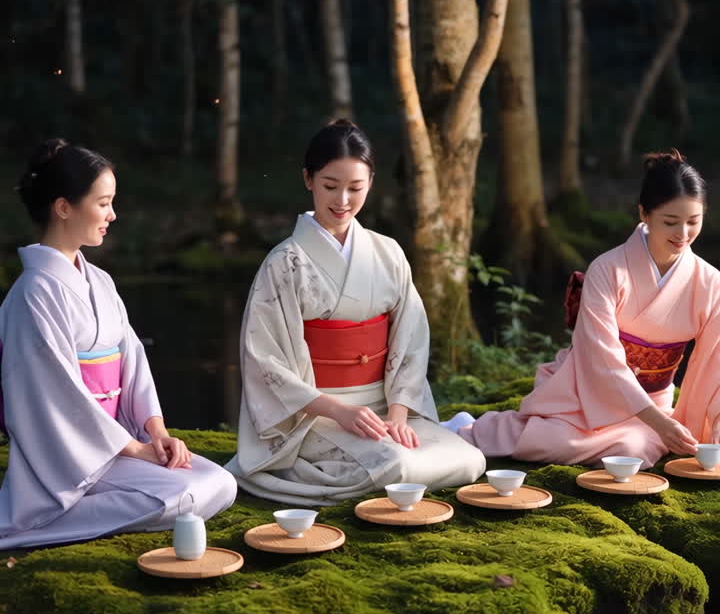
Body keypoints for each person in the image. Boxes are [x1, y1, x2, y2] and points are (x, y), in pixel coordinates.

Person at [226, 119, 486, 503]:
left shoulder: (388, 253)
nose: (342, 200)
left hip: (384, 405)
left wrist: (398, 414)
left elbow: (411, 342)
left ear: (371, 184)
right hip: (315, 414)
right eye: (330, 186)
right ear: (308, 179)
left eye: (355, 188)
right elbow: (265, 362)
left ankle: (418, 432)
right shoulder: (284, 264)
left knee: (469, 461)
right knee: (397, 467)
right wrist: (339, 411)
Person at [0, 139, 237, 550]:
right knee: (183, 496)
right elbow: (57, 398)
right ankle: (32, 524)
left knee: (220, 483)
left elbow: (133, 363)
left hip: (115, 440)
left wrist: (155, 431)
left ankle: (81, 507)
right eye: (103, 202)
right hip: (69, 454)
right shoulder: (33, 293)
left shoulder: (101, 282)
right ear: (63, 207)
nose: (113, 214)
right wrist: (135, 450)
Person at [455, 150, 720, 468]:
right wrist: (660, 423)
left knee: (634, 450)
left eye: (694, 221)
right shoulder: (608, 270)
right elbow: (601, 357)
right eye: (670, 222)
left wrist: (714, 433)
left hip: (652, 403)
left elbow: (715, 366)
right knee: (552, 442)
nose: (683, 234)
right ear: (644, 215)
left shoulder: (709, 282)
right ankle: (474, 427)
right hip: (582, 389)